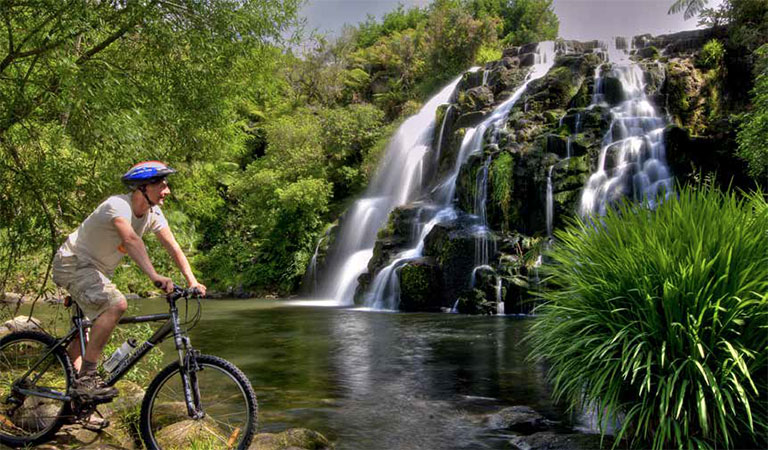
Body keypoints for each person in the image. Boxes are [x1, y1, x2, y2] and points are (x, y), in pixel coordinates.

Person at [52, 161, 206, 404]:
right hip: (73, 263)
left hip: (96, 272)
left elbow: (173, 247)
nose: (167, 190)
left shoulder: (153, 214)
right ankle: (87, 379)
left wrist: (192, 280)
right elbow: (131, 240)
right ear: (143, 187)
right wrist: (155, 276)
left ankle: (75, 405)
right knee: (116, 305)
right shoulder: (118, 205)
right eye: (162, 185)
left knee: (86, 335)